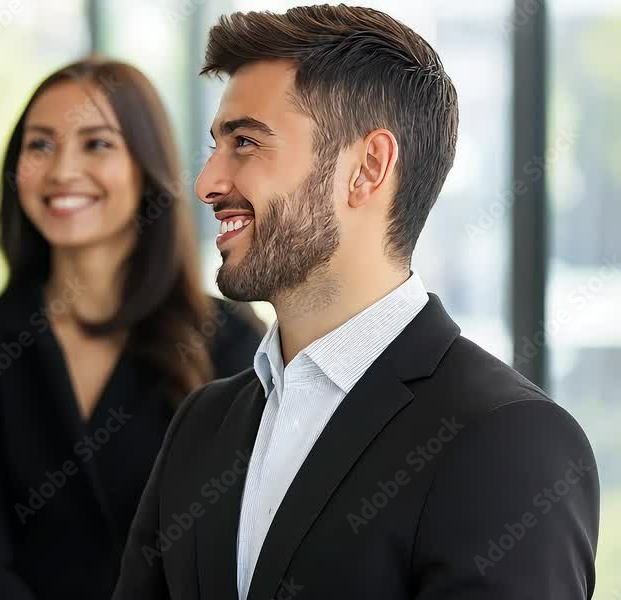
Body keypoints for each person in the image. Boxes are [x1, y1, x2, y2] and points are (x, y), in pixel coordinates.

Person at [114, 6, 599, 600]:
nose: (207, 181)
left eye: (246, 142)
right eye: (216, 144)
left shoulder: (510, 441)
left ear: (367, 168)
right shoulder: (202, 425)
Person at [0, 57, 263, 599]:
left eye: (97, 144)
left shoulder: (229, 340)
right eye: (40, 145)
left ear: (146, 166)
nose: (62, 170)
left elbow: (233, 556)